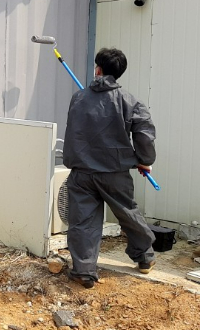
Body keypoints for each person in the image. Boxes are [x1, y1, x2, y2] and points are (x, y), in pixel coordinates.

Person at [63, 47, 157, 289]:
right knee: (128, 213)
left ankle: (84, 270)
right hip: (115, 172)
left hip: (82, 173)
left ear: (98, 69)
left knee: (83, 222)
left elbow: (77, 131)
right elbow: (144, 134)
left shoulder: (79, 97)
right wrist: (144, 159)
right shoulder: (131, 101)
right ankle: (144, 258)